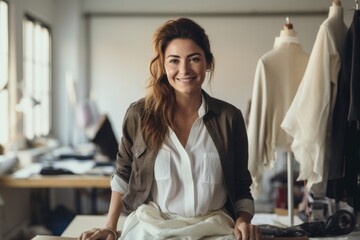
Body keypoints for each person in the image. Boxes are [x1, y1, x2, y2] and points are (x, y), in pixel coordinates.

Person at [79, 17, 259, 240]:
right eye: (174, 61)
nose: (184, 69)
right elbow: (123, 174)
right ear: (163, 65)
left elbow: (241, 185)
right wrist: (109, 226)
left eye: (194, 59)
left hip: (214, 229)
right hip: (152, 228)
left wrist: (243, 221)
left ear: (208, 62)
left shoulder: (229, 118)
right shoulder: (139, 115)